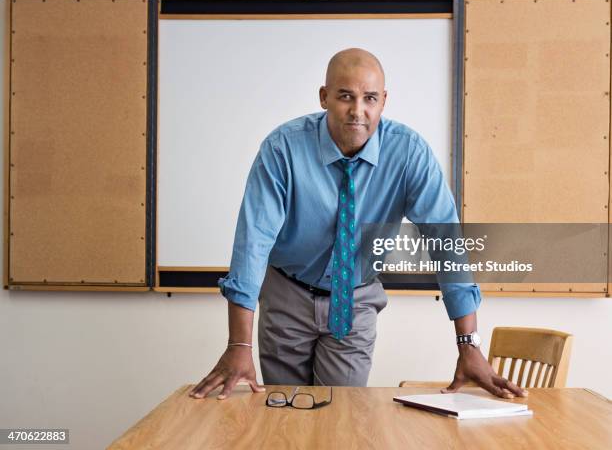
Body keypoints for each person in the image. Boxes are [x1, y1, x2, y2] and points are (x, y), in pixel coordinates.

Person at [189, 48, 527, 401]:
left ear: (384, 101)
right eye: (345, 97)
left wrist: (468, 345)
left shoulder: (409, 153)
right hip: (287, 293)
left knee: (342, 415)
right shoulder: (282, 149)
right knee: (284, 416)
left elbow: (447, 243)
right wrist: (239, 343)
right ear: (324, 97)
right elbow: (253, 243)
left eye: (370, 98)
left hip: (355, 297)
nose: (357, 111)